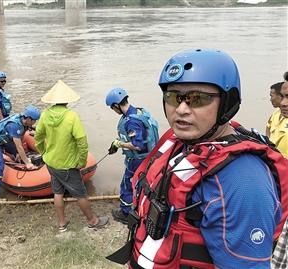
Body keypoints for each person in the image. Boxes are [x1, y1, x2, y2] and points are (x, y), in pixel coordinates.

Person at [107, 49, 288, 269]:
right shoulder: (181, 142)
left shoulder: (244, 182)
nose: (181, 109)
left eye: (197, 98)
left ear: (227, 103)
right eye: (173, 97)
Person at [34, 80, 109, 232]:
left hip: (52, 163)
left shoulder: (45, 115)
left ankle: (62, 224)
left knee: (58, 192)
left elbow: (38, 137)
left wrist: (44, 152)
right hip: (68, 165)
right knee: (81, 194)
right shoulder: (72, 116)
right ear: (67, 99)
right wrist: (81, 161)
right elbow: (82, 141)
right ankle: (93, 221)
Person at [105, 88, 159, 224]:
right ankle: (141, 209)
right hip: (148, 158)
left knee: (127, 186)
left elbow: (137, 145)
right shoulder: (139, 111)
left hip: (137, 159)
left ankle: (125, 214)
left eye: (113, 108)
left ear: (116, 105)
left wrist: (119, 144)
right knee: (140, 185)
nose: (114, 111)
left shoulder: (131, 121)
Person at [0, 105, 40, 200]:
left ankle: (20, 161)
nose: (35, 122)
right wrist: (27, 163)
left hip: (7, 139)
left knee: (20, 155)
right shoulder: (14, 125)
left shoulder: (25, 124)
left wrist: (19, 153)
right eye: (34, 120)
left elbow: (21, 137)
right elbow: (19, 146)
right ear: (28, 118)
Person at [267, 81, 288, 158]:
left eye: (271, 96)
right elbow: (268, 129)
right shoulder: (275, 114)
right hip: (275, 160)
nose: (283, 103)